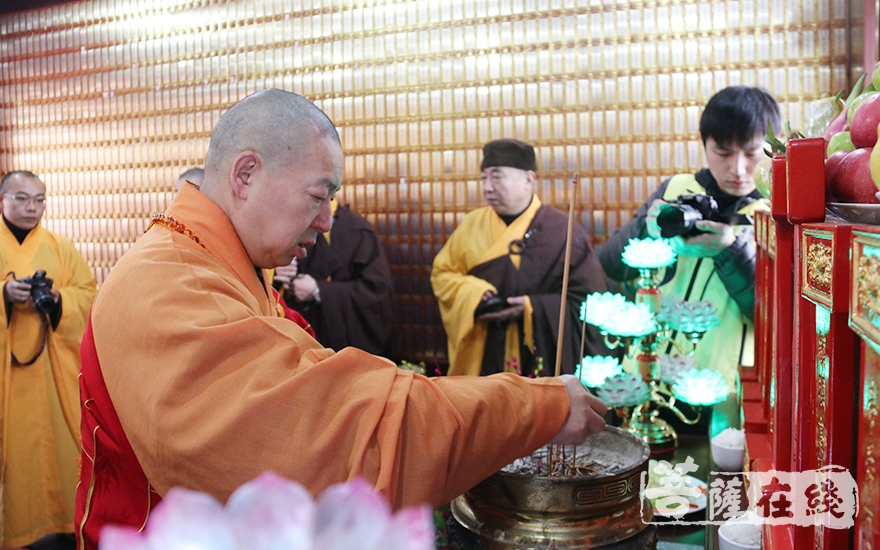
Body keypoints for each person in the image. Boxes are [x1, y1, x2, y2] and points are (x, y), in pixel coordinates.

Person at [75, 89, 607, 549]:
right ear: (245, 174)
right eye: (318, 195)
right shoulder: (167, 285)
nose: (327, 220)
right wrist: (537, 406)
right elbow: (344, 442)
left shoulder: (225, 265)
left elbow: (320, 383)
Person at [598, 86, 781, 388]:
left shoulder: (776, 212)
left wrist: (729, 250)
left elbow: (772, 314)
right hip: (648, 372)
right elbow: (611, 265)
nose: (738, 168)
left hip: (723, 386)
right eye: (722, 153)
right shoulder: (675, 191)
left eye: (752, 153)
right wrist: (647, 229)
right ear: (705, 145)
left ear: (771, 148)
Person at [431, 138, 612, 378]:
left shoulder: (561, 229)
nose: (487, 188)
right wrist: (473, 292)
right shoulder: (472, 224)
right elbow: (442, 275)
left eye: (497, 177)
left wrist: (531, 308)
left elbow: (588, 301)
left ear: (528, 179)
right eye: (483, 178)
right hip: (484, 355)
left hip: (538, 357)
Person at [0, 171, 96, 548]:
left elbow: (87, 295)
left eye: (40, 200)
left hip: (55, 375)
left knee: (61, 455)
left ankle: (63, 525)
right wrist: (5, 295)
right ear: (3, 198)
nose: (32, 208)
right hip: (9, 383)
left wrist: (59, 302)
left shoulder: (59, 247)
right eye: (22, 199)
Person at [273, 198, 394, 356]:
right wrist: (278, 270)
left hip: (339, 335)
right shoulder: (288, 223)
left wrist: (319, 291)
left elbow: (376, 292)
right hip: (299, 340)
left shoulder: (356, 229)